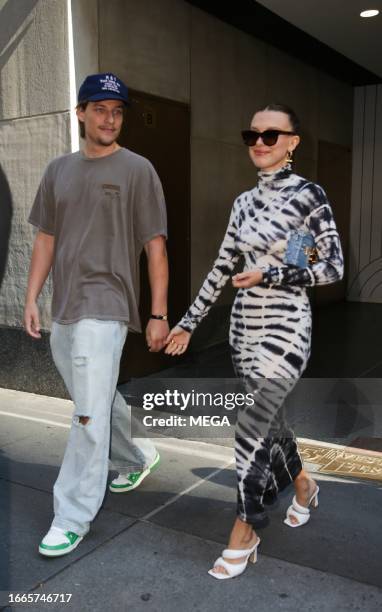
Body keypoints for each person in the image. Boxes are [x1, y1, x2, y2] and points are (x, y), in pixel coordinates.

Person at [165, 103, 344, 579]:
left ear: (293, 142)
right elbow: (221, 268)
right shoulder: (242, 203)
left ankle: (246, 529)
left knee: (250, 425)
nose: (260, 143)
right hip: (243, 328)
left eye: (271, 135)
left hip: (287, 327)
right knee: (271, 423)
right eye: (253, 135)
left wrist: (274, 272)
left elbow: (332, 267)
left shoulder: (310, 195)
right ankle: (303, 484)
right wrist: (187, 322)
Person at [24, 73, 169, 557]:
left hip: (106, 306)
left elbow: (155, 247)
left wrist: (159, 313)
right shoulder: (58, 170)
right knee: (97, 400)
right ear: (80, 113)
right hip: (66, 305)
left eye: (118, 110)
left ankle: (72, 514)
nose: (110, 118)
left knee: (85, 415)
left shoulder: (137, 169)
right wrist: (32, 297)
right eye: (100, 108)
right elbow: (46, 237)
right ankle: (139, 453)